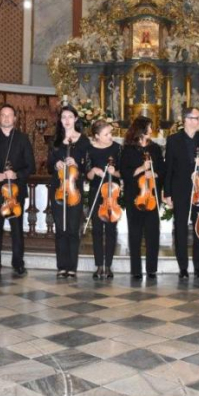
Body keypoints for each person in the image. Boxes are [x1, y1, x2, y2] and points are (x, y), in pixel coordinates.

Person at [0, 104, 35, 277]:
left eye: (10, 115)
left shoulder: (23, 138)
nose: (6, 118)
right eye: (3, 115)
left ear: (15, 118)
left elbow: (30, 166)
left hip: (15, 192)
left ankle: (18, 263)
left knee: (17, 229)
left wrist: (16, 174)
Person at [164, 107, 199, 279]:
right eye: (197, 118)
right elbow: (168, 167)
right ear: (187, 120)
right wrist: (167, 193)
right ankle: (183, 268)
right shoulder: (173, 140)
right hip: (180, 190)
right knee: (181, 229)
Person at [48, 106, 91, 278]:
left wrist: (77, 163)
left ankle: (72, 266)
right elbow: (49, 163)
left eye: (70, 117)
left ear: (75, 119)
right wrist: (55, 164)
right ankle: (61, 266)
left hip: (75, 191)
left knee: (73, 229)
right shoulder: (55, 141)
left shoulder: (83, 141)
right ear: (60, 120)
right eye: (64, 117)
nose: (66, 120)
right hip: (58, 189)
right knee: (60, 229)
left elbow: (88, 165)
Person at [121, 116, 165, 279]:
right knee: (135, 233)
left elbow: (162, 169)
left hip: (152, 196)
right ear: (141, 130)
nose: (152, 130)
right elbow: (125, 173)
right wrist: (141, 168)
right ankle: (136, 270)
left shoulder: (155, 149)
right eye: (149, 127)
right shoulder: (128, 150)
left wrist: (154, 173)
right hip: (134, 197)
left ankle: (151, 269)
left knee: (153, 232)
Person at [85, 119, 122, 279]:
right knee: (97, 230)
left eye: (110, 133)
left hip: (112, 194)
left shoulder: (117, 149)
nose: (110, 137)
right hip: (96, 192)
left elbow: (123, 173)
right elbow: (87, 175)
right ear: (97, 136)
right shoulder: (90, 150)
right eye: (106, 134)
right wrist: (94, 170)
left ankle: (108, 265)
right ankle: (99, 265)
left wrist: (114, 172)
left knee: (111, 230)